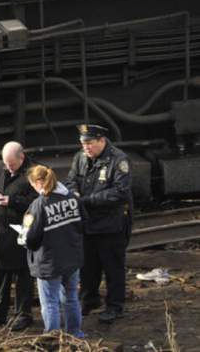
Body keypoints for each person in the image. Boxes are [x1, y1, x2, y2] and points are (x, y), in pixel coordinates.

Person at [65, 124, 132, 323]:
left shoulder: (119, 160)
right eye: (83, 143)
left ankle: (115, 306)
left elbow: (120, 192)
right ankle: (89, 299)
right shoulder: (80, 158)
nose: (86, 147)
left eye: (89, 143)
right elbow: (71, 179)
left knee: (113, 267)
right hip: (87, 223)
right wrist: (74, 192)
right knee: (88, 266)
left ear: (101, 140)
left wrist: (87, 200)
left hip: (111, 224)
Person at [23, 164, 85, 338]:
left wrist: (23, 239)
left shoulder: (38, 204)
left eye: (32, 185)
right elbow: (83, 224)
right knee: (71, 297)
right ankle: (75, 333)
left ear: (38, 182)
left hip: (49, 262)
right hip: (72, 258)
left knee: (50, 302)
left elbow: (30, 237)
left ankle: (53, 338)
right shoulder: (73, 198)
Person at [0, 142, 37, 330]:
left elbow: (37, 201)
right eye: (6, 164)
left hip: (21, 228)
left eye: (12, 165)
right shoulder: (1, 166)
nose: (8, 168)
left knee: (23, 274)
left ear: (21, 159)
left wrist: (12, 201)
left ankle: (23, 313)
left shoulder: (34, 172)